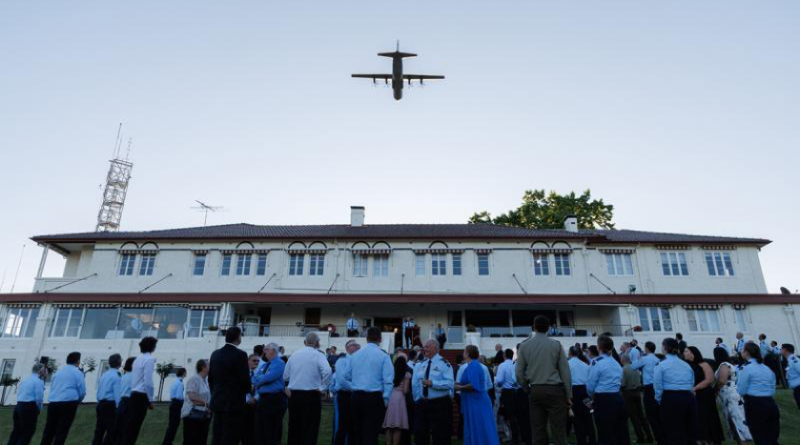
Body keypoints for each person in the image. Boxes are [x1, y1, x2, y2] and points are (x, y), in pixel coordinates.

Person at [515, 315, 571, 445]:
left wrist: (526, 388)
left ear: (534, 327)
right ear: (549, 328)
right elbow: (565, 372)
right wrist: (568, 394)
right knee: (558, 430)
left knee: (538, 431)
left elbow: (518, 373)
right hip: (555, 390)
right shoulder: (556, 345)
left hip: (535, 390)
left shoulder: (524, 345)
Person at [284, 332, 333, 445]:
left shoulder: (294, 354)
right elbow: (327, 371)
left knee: (294, 427)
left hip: (295, 396)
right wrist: (322, 387)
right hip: (311, 395)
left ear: (305, 342)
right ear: (317, 343)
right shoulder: (318, 355)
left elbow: (285, 375)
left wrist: (292, 382)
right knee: (310, 428)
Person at [347, 326, 394, 445]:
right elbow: (388, 380)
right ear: (380, 339)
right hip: (374, 398)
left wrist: (355, 384)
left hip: (356, 397)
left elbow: (347, 375)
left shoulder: (355, 355)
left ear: (366, 338)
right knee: (371, 433)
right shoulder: (383, 356)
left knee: (358, 433)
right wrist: (386, 399)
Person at [208, 326, 251, 445]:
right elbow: (244, 379)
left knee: (217, 434)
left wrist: (215, 393)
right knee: (230, 435)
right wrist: (248, 390)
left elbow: (211, 378)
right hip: (234, 402)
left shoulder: (215, 354)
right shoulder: (241, 354)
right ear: (238, 338)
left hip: (217, 400)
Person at [586, 336, 629, 445]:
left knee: (605, 432)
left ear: (598, 347)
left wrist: (592, 398)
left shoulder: (596, 362)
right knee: (620, 431)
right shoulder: (615, 362)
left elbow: (590, 386)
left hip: (603, 398)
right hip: (618, 397)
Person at [654, 338, 697, 445]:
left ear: (664, 348)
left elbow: (657, 385)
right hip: (688, 398)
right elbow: (692, 382)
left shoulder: (661, 364)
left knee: (673, 432)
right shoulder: (685, 364)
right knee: (689, 431)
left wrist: (660, 399)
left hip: (671, 398)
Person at [412, 339, 454, 445]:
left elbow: (450, 384)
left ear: (435, 347)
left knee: (441, 436)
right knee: (420, 435)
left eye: (427, 347)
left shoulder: (445, 364)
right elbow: (415, 383)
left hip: (440, 404)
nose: (424, 349)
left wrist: (433, 383)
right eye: (424, 347)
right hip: (422, 404)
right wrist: (417, 399)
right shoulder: (421, 364)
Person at [737, 342, 780, 445]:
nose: (741, 351)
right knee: (772, 438)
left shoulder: (746, 368)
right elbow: (773, 388)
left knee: (760, 438)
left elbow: (741, 390)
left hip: (755, 405)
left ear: (747, 353)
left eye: (742, 349)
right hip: (770, 403)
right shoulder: (766, 368)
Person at [456, 345, 499, 445]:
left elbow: (473, 385)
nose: (463, 353)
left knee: (480, 426)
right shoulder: (471, 365)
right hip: (473, 401)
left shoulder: (474, 365)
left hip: (477, 402)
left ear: (467, 354)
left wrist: (459, 387)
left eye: (464, 351)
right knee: (475, 426)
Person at [40, 351, 86, 445]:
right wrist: (78, 400)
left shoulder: (58, 373)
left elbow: (53, 387)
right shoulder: (78, 373)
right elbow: (82, 391)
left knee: (49, 430)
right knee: (62, 431)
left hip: (53, 402)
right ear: (78, 361)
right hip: (69, 403)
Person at [684, 346, 724, 444]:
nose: (683, 353)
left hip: (704, 395)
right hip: (693, 396)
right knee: (697, 419)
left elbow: (709, 379)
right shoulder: (687, 366)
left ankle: (710, 439)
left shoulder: (704, 364)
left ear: (693, 353)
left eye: (686, 351)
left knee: (706, 418)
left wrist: (695, 388)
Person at [121, 337, 157, 445]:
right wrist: (150, 400)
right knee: (135, 427)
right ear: (152, 347)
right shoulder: (149, 359)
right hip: (142, 395)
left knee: (130, 427)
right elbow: (148, 381)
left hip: (133, 394)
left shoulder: (137, 360)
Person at [713, 347, 752, 443]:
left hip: (729, 395)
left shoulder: (724, 365)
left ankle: (743, 441)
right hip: (731, 394)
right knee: (734, 422)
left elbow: (722, 380)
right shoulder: (729, 364)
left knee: (736, 421)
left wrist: (714, 389)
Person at [252, 343, 287, 445]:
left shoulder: (279, 363)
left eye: (267, 349)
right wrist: (261, 379)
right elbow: (254, 378)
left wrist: (260, 380)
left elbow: (268, 378)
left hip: (274, 399)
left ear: (273, 351)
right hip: (263, 399)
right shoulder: (265, 365)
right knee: (259, 428)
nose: (264, 351)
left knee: (270, 429)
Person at [630, 341, 661, 444]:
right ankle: (661, 435)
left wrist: (639, 358)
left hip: (649, 387)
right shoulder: (657, 359)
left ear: (647, 348)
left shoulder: (644, 358)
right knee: (658, 412)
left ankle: (657, 437)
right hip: (658, 386)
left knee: (650, 414)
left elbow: (633, 367)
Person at [7, 363, 46, 445]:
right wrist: (38, 409)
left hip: (18, 406)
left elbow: (20, 393)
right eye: (44, 370)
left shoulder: (25, 381)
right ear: (41, 371)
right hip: (29, 407)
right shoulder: (38, 382)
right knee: (27, 433)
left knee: (16, 432)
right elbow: (39, 398)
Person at [332, 340, 360, 445]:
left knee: (354, 425)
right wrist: (356, 388)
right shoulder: (341, 361)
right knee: (343, 425)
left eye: (357, 345)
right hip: (345, 395)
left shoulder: (360, 360)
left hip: (356, 395)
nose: (357, 347)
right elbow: (341, 380)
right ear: (348, 348)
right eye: (354, 345)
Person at [620, 354, 652, 444]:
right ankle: (649, 436)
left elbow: (622, 384)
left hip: (628, 394)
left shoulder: (623, 370)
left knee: (634, 417)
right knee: (641, 415)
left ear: (622, 360)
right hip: (637, 392)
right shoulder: (636, 368)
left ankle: (641, 437)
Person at [567, 346, 595, 445]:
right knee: (588, 415)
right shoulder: (585, 364)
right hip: (585, 391)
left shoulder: (568, 364)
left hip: (574, 391)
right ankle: (592, 439)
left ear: (570, 353)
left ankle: (581, 440)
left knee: (577, 418)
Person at [93, 353, 122, 445]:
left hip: (101, 403)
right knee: (112, 431)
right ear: (118, 362)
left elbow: (99, 390)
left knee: (99, 431)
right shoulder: (117, 376)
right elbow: (117, 394)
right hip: (110, 405)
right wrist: (119, 407)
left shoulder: (104, 375)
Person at [496, 349, 523, 445]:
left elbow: (499, 381)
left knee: (509, 416)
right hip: (518, 391)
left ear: (504, 355)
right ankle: (519, 437)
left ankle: (514, 438)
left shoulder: (502, 366)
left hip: (507, 393)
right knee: (518, 415)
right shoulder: (516, 364)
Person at [384, 355, 412, 445]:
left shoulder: (391, 372)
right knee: (397, 426)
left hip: (391, 397)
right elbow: (405, 390)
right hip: (400, 398)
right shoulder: (406, 374)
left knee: (389, 425)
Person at [182, 359, 211, 445]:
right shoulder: (194, 379)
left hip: (204, 415)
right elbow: (192, 396)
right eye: (209, 365)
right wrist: (207, 404)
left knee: (201, 440)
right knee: (191, 440)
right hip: (192, 415)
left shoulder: (205, 381)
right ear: (203, 367)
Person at [111, 357, 135, 445]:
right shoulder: (134, 376)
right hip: (129, 403)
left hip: (122, 403)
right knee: (127, 430)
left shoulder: (124, 376)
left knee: (119, 429)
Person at [161, 367, 186, 445]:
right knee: (174, 425)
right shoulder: (180, 383)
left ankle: (167, 442)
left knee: (171, 425)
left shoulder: (174, 382)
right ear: (183, 373)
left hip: (173, 404)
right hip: (177, 404)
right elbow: (179, 396)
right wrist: (186, 399)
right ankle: (168, 442)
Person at [242, 354, 261, 445]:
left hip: (257, 404)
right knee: (244, 427)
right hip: (244, 404)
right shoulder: (243, 374)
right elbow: (240, 388)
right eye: (254, 360)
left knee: (255, 428)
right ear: (248, 361)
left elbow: (262, 388)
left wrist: (255, 398)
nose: (256, 362)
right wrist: (247, 399)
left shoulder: (261, 374)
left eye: (258, 361)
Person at [782, 343, 800, 409]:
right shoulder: (790, 360)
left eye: (782, 349)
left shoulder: (794, 360)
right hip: (796, 389)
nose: (780, 350)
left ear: (785, 350)